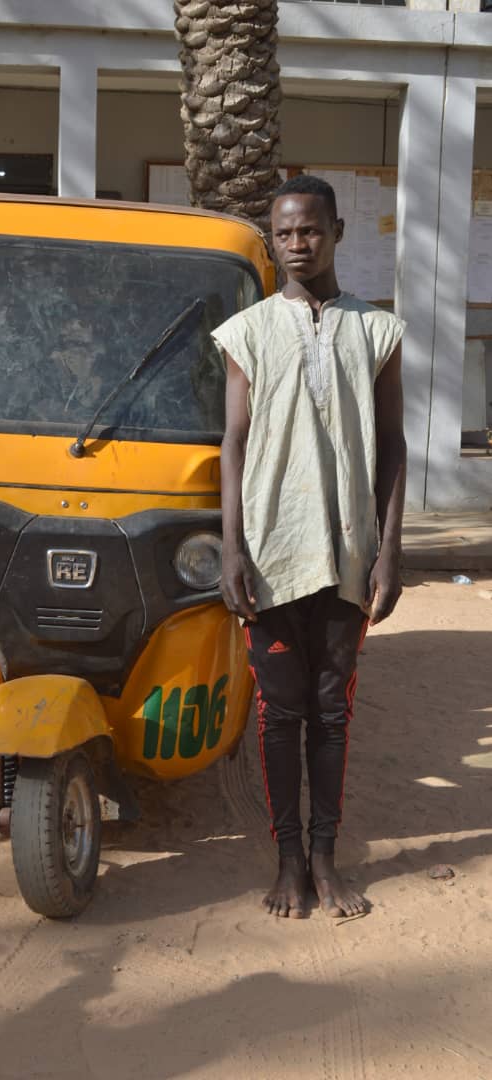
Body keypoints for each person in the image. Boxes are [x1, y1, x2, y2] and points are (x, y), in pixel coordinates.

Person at [212, 174, 406, 919]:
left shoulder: (377, 331)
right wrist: (231, 547)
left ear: (336, 233)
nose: (299, 243)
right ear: (273, 239)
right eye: (286, 232)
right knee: (278, 714)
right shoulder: (250, 332)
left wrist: (391, 549)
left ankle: (326, 858)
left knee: (332, 715)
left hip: (349, 553)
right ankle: (287, 860)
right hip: (271, 553)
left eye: (311, 230)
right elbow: (232, 444)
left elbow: (392, 446)